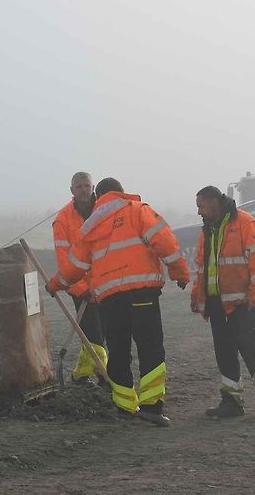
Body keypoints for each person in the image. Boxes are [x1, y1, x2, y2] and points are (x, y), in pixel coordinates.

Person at [46, 178, 190, 427]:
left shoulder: (90, 226)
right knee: (150, 347)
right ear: (121, 193)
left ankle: (124, 405)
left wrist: (54, 284)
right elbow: (165, 242)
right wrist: (179, 272)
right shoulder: (138, 211)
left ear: (98, 196)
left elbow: (75, 266)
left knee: (118, 350)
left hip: (110, 299)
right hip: (142, 293)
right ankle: (152, 407)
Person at [190, 186, 255, 418]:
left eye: (201, 206)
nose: (199, 212)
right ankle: (231, 401)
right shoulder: (208, 229)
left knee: (253, 349)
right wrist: (197, 295)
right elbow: (203, 266)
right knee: (225, 353)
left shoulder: (245, 223)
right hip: (216, 303)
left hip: (242, 303)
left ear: (213, 202)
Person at [52, 172, 107, 385]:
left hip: (106, 285)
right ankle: (104, 377)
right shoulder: (63, 220)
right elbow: (65, 261)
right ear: (72, 191)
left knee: (106, 332)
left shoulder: (105, 210)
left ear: (93, 187)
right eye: (79, 186)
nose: (84, 190)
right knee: (94, 335)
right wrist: (83, 287)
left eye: (87, 186)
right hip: (80, 289)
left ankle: (81, 374)